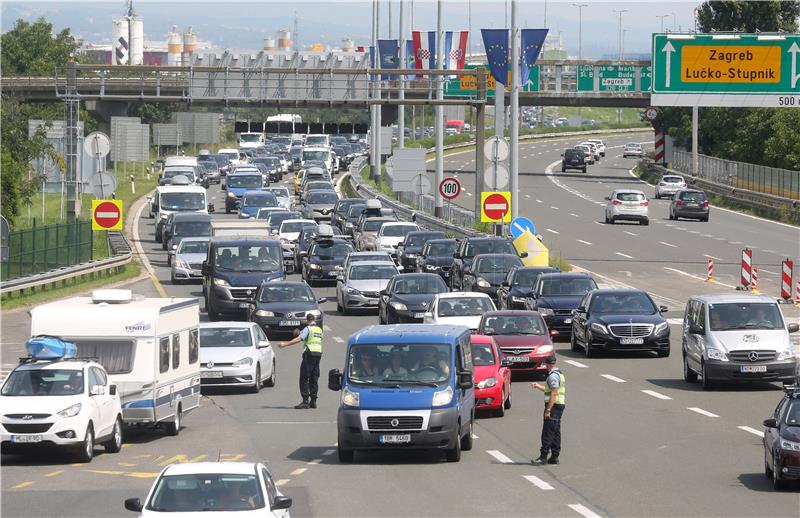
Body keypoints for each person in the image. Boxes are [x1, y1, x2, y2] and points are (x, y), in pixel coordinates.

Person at [279, 314, 323, 409]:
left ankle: (305, 401)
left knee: (304, 377)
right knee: (314, 378)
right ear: (314, 320)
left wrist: (286, 344)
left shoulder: (308, 329)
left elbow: (299, 339)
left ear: (307, 320)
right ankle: (313, 401)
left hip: (309, 353)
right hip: (318, 354)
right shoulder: (319, 330)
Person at [531, 356, 565, 465]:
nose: (545, 366)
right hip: (558, 406)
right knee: (555, 431)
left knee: (547, 432)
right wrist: (538, 386)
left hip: (553, 406)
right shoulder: (559, 373)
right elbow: (550, 390)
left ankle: (543, 457)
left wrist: (548, 410)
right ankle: (555, 456)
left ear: (549, 364)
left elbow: (554, 393)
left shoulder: (552, 377)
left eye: (545, 364)